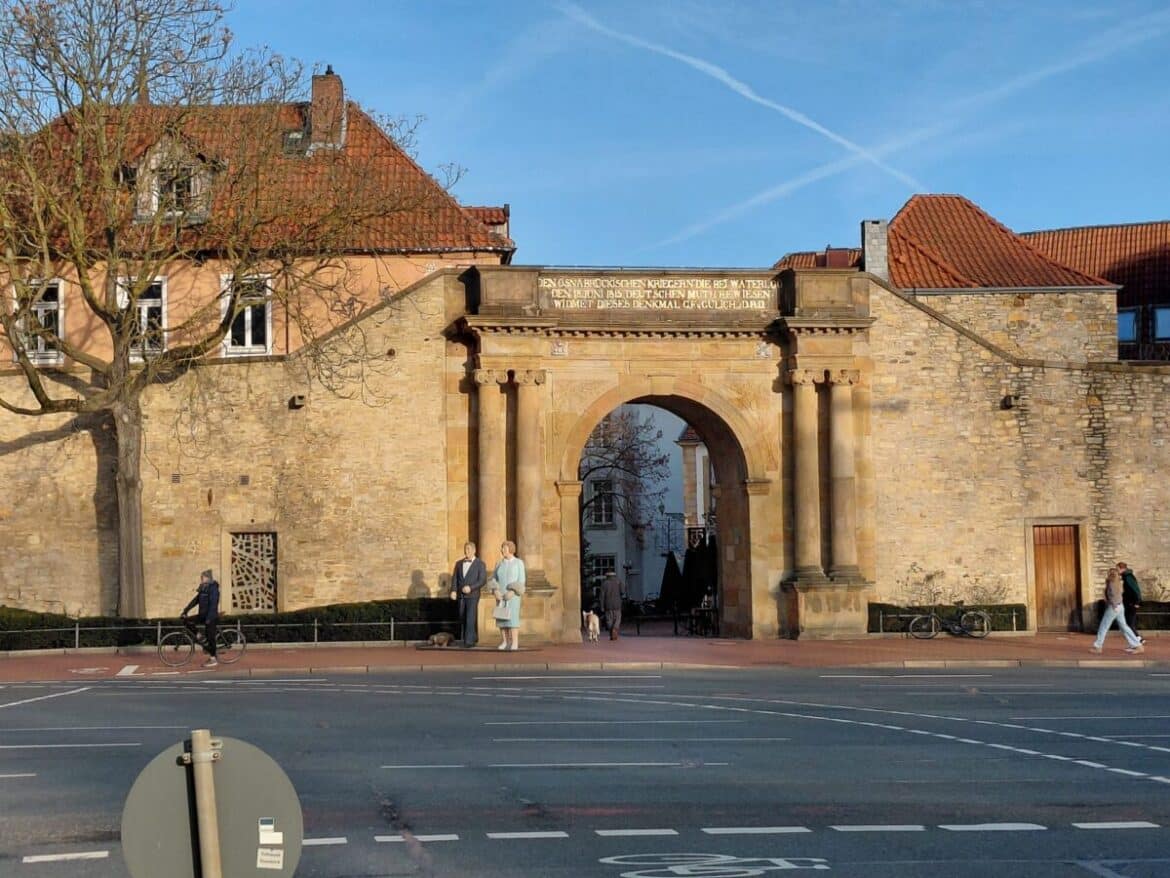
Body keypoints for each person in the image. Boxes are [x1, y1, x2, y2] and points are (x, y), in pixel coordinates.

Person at [1091, 566, 1143, 654]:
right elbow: (1120, 594)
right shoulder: (1118, 582)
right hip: (1120, 606)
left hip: (1114, 607)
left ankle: (1098, 646)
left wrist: (1114, 605)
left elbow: (1114, 595)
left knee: (1103, 626)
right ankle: (1137, 645)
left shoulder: (1112, 583)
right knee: (1124, 627)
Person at [489, 540, 525, 651]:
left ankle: (515, 642)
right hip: (500, 596)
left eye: (504, 548)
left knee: (513, 619)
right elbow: (493, 579)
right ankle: (504, 641)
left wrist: (513, 592)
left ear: (510, 549)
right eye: (502, 548)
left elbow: (521, 580)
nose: (502, 550)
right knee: (501, 619)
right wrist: (495, 590)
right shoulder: (499, 563)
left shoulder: (519, 563)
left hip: (513, 596)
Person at [449, 541, 487, 647]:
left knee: (470, 616)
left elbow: (482, 580)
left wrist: (471, 588)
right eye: (466, 549)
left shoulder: (480, 564)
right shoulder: (459, 563)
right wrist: (453, 590)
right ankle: (473, 637)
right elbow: (455, 578)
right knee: (462, 615)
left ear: (474, 550)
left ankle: (468, 641)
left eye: (469, 549)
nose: (467, 551)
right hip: (461, 595)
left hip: (473, 595)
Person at [182, 569, 221, 667]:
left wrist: (209, 618)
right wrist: (186, 610)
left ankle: (213, 659)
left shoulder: (213, 588)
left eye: (202, 577)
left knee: (210, 636)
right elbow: (196, 600)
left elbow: (213, 604)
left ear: (208, 578)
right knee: (187, 621)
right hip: (202, 615)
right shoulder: (203, 587)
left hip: (211, 617)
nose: (201, 579)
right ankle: (200, 636)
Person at [1118, 561, 1144, 645]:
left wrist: (1137, 602)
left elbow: (1136, 590)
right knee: (1128, 623)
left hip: (1132, 603)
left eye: (1117, 568)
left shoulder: (1129, 577)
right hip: (1129, 603)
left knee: (1129, 623)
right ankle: (1137, 640)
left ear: (1122, 568)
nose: (1117, 570)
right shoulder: (1125, 577)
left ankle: (1138, 640)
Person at [600, 571, 623, 640]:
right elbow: (622, 592)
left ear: (607, 576)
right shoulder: (618, 582)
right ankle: (615, 629)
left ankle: (611, 631)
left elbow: (602, 596)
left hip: (608, 605)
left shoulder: (604, 584)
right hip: (617, 604)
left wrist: (602, 606)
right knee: (617, 618)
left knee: (609, 620)